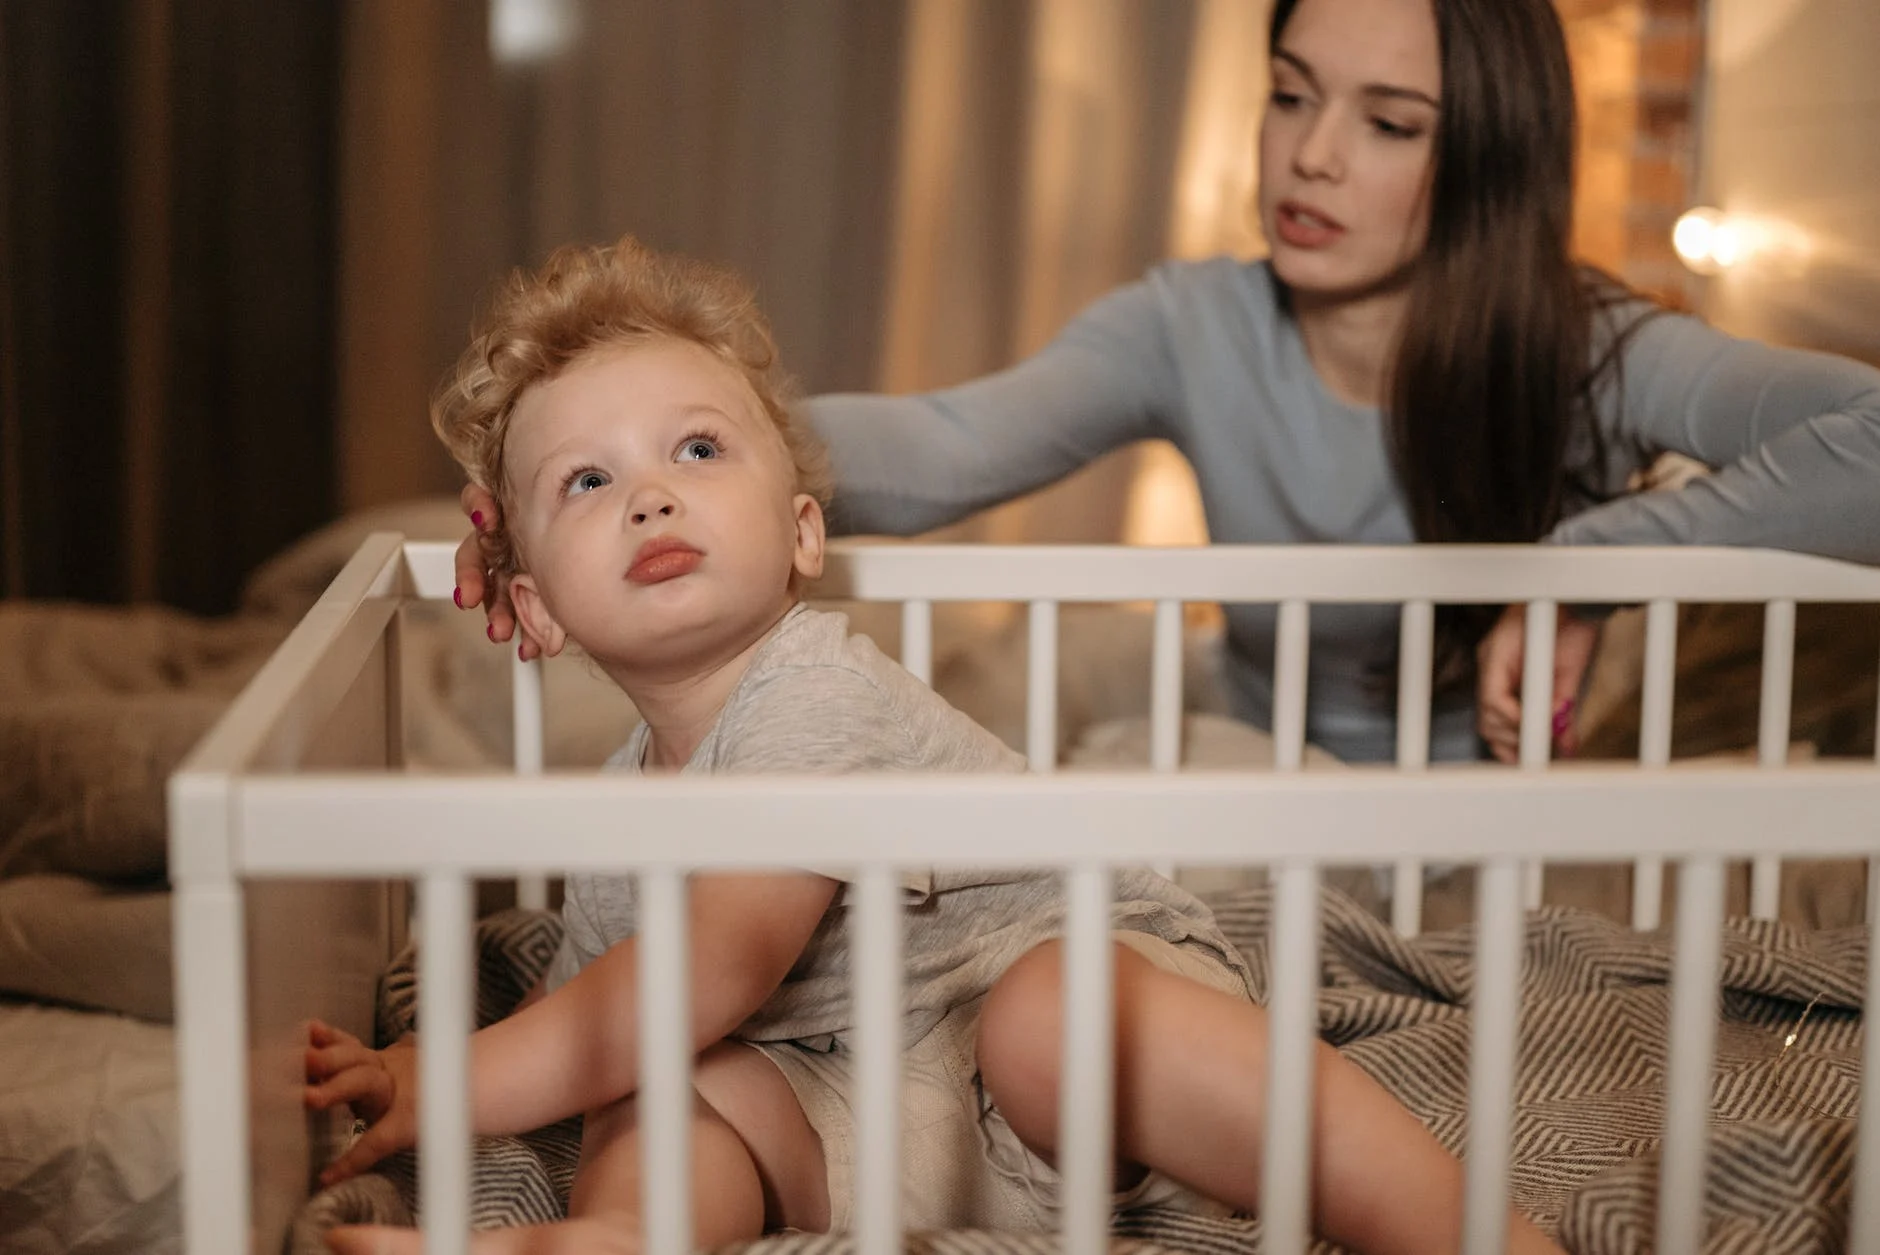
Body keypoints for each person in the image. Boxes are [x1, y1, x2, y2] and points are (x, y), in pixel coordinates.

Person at [304, 236, 1567, 1255]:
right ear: (531, 606)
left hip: (1069, 993)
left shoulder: (814, 689)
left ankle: (1473, 1234)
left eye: (696, 448)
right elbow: (608, 1023)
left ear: (802, 532)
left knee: (1041, 1018)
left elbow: (710, 965)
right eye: (586, 481)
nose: (650, 492)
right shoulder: (622, 808)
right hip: (886, 1104)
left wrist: (455, 1079)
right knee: (664, 1088)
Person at [453, 0, 1880, 768]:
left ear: (1488, 161)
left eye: (1386, 123)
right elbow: (948, 442)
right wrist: (635, 458)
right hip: (1233, 753)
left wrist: (1587, 564)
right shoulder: (1194, 323)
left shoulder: (1589, 348)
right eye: (1287, 90)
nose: (1309, 155)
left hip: (1456, 834)